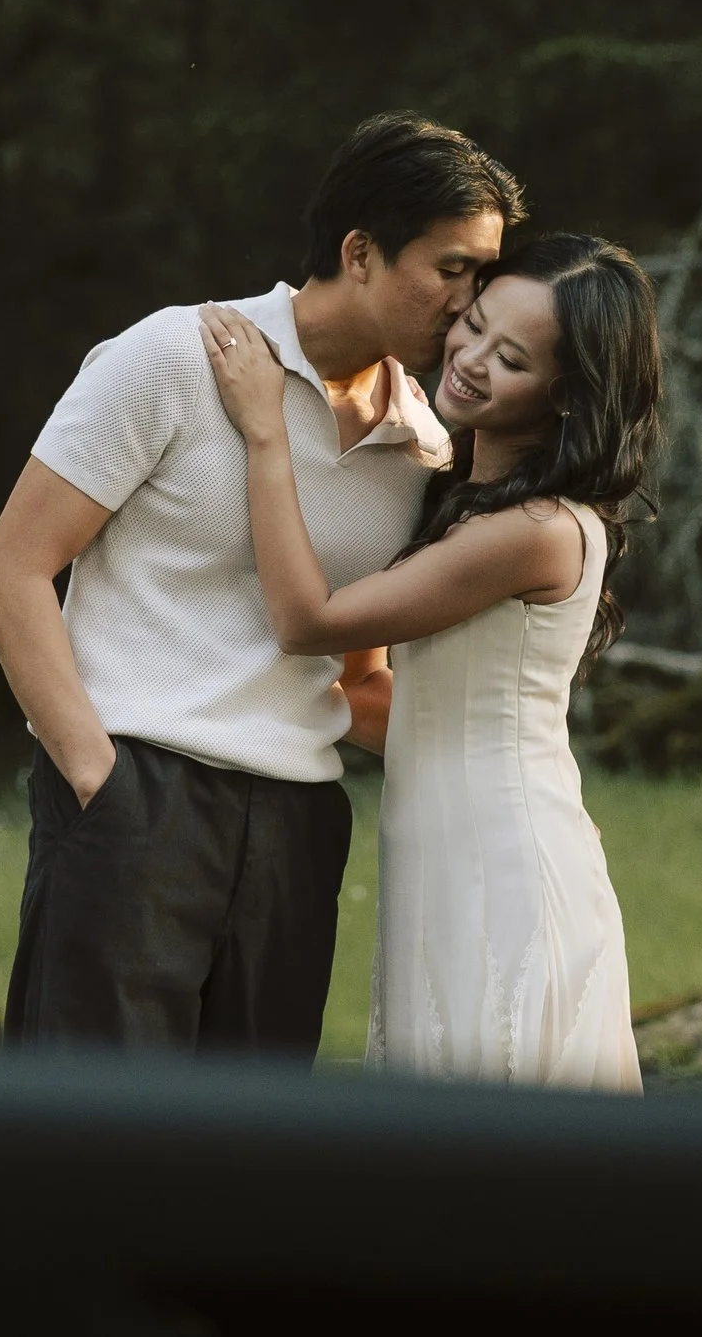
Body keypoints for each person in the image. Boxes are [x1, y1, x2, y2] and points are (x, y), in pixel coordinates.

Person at [0, 113, 525, 1053]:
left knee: (242, 1155)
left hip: (299, 825)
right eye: (452, 269)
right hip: (136, 793)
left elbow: (359, 675)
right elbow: (10, 574)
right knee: (88, 1145)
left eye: (484, 276)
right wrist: (94, 773)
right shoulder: (174, 358)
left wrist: (514, 774)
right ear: (359, 250)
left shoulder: (422, 443)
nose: (469, 304)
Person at [198, 231, 662, 1091]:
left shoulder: (534, 533)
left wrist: (269, 434)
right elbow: (375, 690)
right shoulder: (463, 504)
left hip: (500, 864)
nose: (472, 358)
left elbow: (308, 622)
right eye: (474, 322)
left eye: (512, 357)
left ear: (568, 397)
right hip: (446, 852)